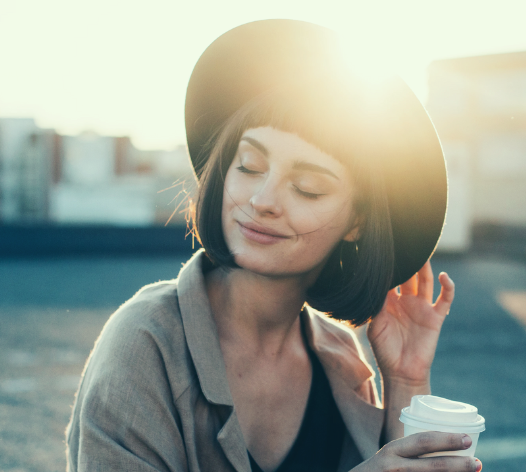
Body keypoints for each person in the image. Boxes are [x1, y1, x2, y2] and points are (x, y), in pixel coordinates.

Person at [66, 20, 483, 472]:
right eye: (249, 165)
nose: (262, 200)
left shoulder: (344, 364)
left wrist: (405, 380)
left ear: (357, 222)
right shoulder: (145, 343)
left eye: (307, 188)